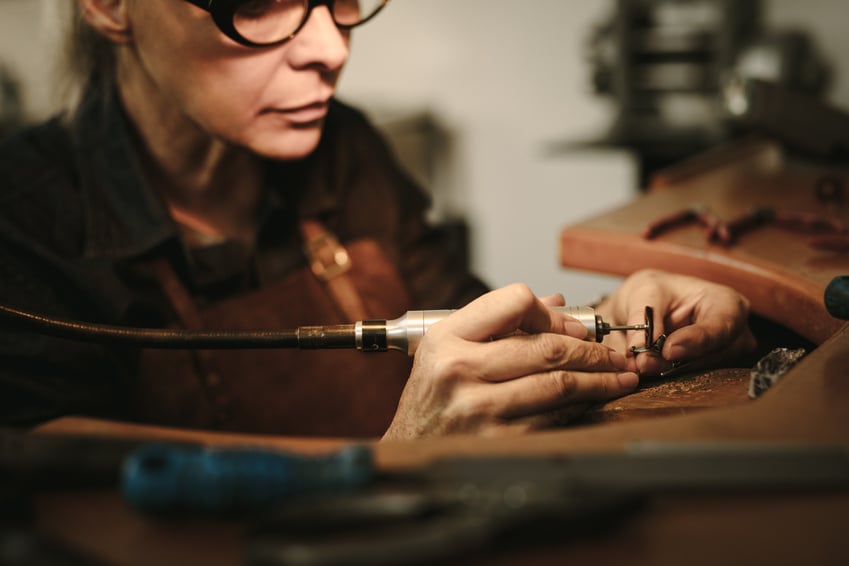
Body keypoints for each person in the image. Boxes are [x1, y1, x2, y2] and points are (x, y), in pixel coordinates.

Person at [0, 0, 755, 439]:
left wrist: (604, 324)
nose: (331, 48)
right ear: (108, 6)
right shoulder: (24, 228)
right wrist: (400, 461)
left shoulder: (345, 149)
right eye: (260, 1)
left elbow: (475, 335)